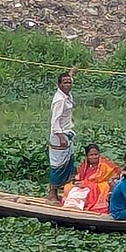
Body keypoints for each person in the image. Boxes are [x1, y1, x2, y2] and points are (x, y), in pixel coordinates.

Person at [64, 144, 121, 214]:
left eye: (96, 154)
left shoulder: (105, 164)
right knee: (69, 187)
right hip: (84, 184)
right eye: (91, 155)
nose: (94, 157)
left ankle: (80, 205)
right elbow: (79, 177)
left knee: (87, 190)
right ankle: (73, 205)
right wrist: (77, 182)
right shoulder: (84, 165)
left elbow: (117, 173)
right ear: (87, 156)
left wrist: (87, 184)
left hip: (101, 185)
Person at [47, 70, 76, 203]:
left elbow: (69, 80)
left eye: (69, 82)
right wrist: (61, 136)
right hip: (59, 135)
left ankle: (61, 191)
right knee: (57, 166)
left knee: (67, 164)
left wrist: (71, 73)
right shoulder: (59, 100)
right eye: (64, 82)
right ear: (59, 84)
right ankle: (52, 193)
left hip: (67, 132)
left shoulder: (66, 95)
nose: (68, 85)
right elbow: (55, 121)